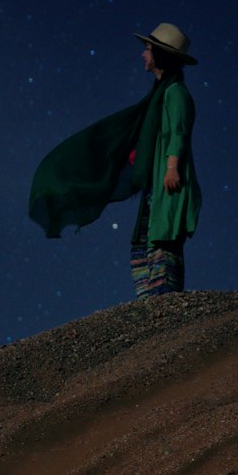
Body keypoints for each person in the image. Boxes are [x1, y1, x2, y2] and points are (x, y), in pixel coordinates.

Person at [28, 22, 202, 298]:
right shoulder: (157, 96)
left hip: (169, 179)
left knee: (163, 238)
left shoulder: (175, 93)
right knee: (147, 240)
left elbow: (177, 132)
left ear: (160, 55)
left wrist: (171, 167)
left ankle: (166, 305)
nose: (143, 55)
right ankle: (152, 307)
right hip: (157, 182)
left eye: (148, 49)